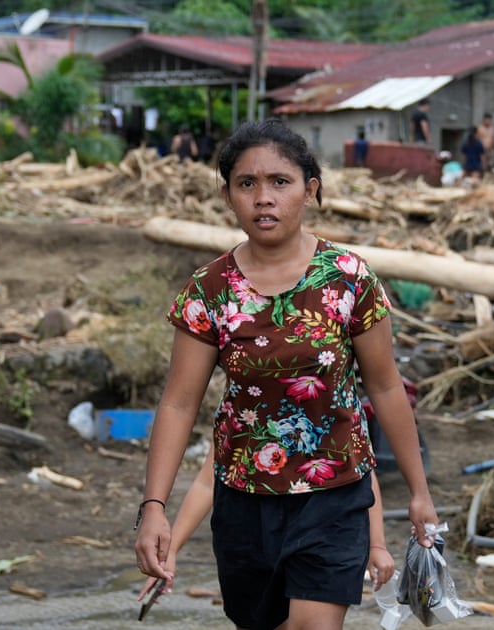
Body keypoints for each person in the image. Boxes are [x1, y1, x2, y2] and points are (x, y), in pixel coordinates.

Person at [134, 119, 438, 630]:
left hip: (335, 492)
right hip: (245, 499)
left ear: (310, 191)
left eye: (280, 182)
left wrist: (419, 492)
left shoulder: (347, 278)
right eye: (246, 184)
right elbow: (179, 403)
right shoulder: (209, 289)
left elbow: (385, 388)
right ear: (229, 197)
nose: (263, 198)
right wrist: (154, 507)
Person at [139, 449, 397, 604]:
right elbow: (207, 482)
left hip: (325, 525)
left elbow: (361, 468)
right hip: (253, 532)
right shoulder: (243, 406)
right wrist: (171, 551)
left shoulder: (331, 393)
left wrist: (377, 544)